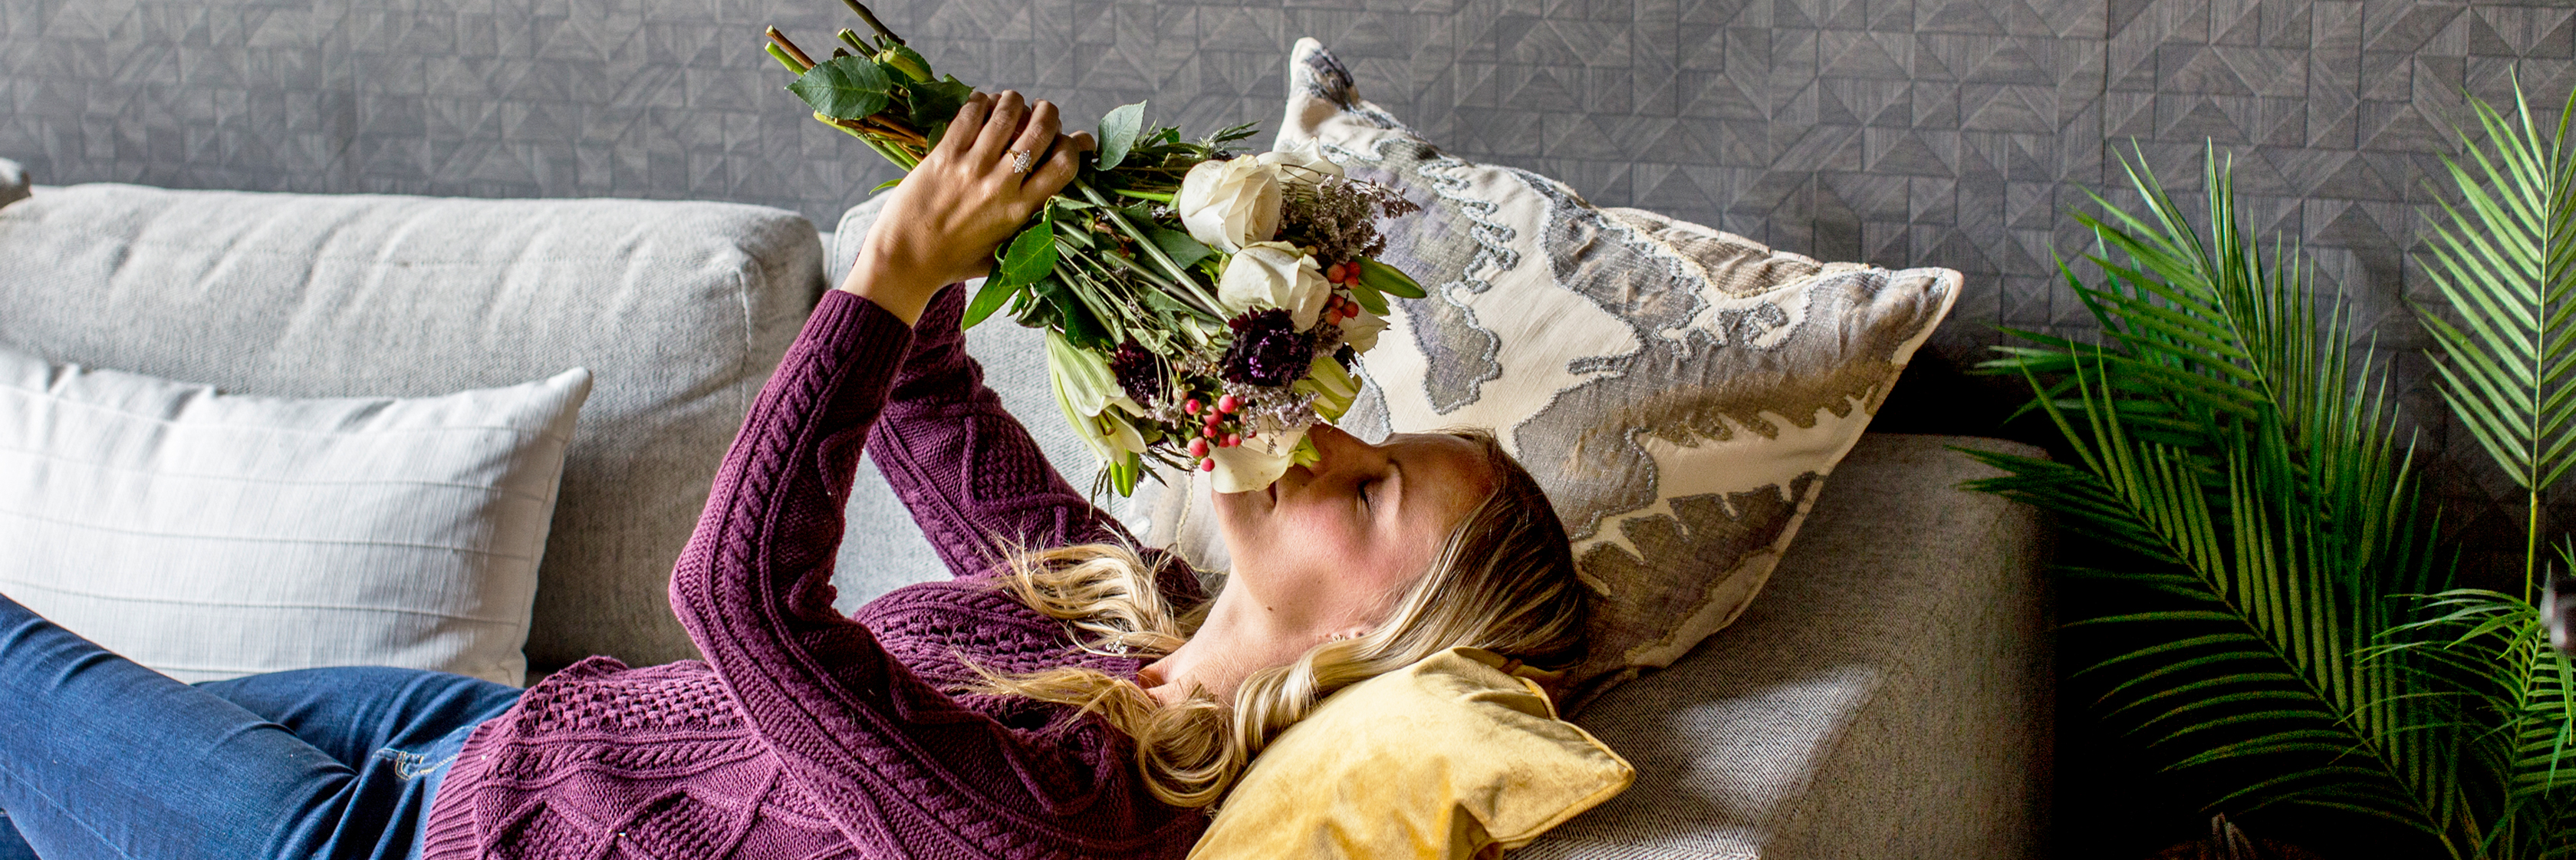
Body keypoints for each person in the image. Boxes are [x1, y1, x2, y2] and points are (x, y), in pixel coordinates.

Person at [0, 90, 1587, 860]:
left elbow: (743, 603)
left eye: (1375, 495)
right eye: (1371, 440)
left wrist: (889, 274)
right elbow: (925, 390)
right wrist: (1070, 235)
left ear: (1383, 645)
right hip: (476, 741)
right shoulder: (1131, 602)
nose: (1325, 442)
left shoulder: (1070, 820)